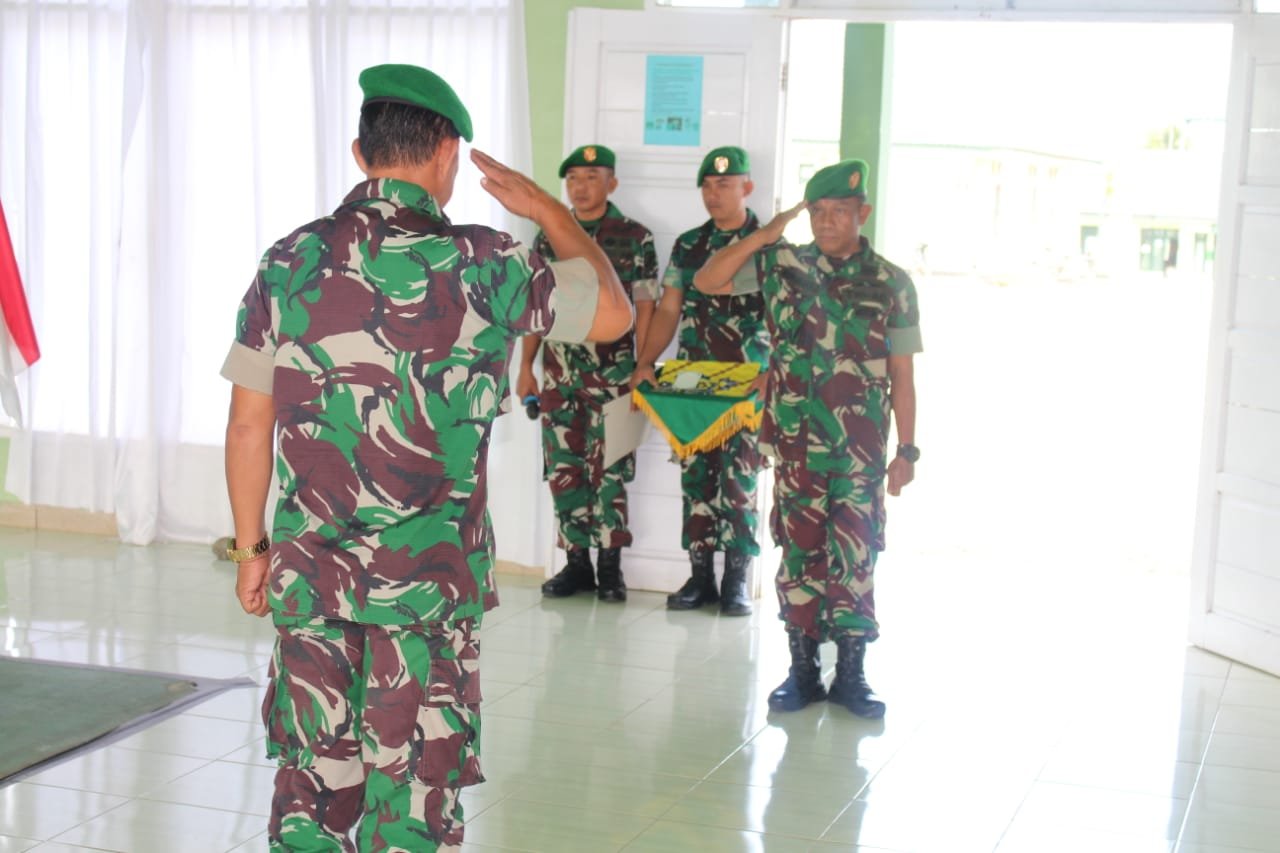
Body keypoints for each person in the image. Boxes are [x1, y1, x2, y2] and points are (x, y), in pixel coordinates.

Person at [221, 63, 631, 851]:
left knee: (313, 788)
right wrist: (547, 209)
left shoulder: (289, 260)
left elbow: (247, 425)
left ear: (360, 153)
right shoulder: (488, 261)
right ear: (448, 152)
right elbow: (613, 312)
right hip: (429, 587)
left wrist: (250, 551)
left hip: (312, 575)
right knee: (412, 794)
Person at [694, 159, 922, 719]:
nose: (826, 221)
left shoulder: (892, 282)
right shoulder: (782, 265)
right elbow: (707, 280)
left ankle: (851, 675)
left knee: (855, 557)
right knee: (798, 556)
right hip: (795, 448)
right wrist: (765, 234)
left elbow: (903, 374)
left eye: (839, 211)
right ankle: (801, 672)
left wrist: (907, 450)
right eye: (817, 211)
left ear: (863, 213)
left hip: (860, 454)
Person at [628, 146, 769, 617]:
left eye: (724, 185)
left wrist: (776, 374)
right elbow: (669, 308)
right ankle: (700, 576)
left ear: (747, 187)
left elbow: (789, 318)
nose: (714, 194)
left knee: (740, 482)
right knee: (697, 480)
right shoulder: (690, 245)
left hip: (746, 386)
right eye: (707, 186)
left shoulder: (770, 247)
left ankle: (736, 581)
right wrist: (646, 362)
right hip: (694, 384)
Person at [516, 144, 658, 603]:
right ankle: (576, 563)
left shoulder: (635, 237)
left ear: (611, 183)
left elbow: (646, 306)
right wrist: (525, 366)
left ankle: (610, 568)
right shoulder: (547, 238)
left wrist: (643, 365)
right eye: (573, 178)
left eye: (591, 178)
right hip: (560, 376)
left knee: (611, 470)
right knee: (565, 470)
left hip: (615, 376)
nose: (580, 187)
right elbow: (535, 307)